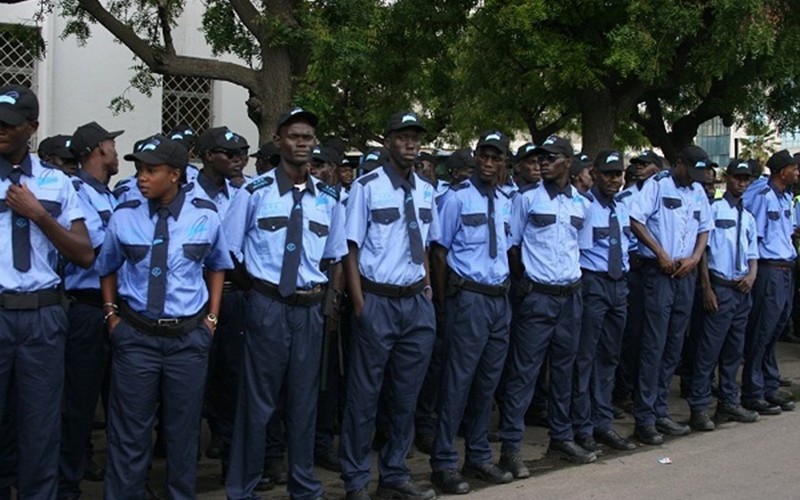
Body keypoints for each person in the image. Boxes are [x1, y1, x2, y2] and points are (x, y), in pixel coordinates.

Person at [97, 134, 231, 499]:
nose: (141, 177)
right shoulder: (125, 216)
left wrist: (212, 320)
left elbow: (218, 265)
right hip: (136, 338)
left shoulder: (204, 214)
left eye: (151, 170)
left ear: (175, 174)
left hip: (188, 340)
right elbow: (107, 266)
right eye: (139, 169)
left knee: (183, 434)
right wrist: (112, 317)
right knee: (129, 435)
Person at [224, 107, 347, 500]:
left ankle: (303, 485)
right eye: (294, 136)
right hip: (267, 306)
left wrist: (327, 303)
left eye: (308, 138)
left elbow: (334, 256)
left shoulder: (328, 199)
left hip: (309, 309)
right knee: (257, 403)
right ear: (279, 141)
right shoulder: (253, 192)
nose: (301, 144)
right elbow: (229, 251)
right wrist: (257, 291)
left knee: (304, 402)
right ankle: (242, 488)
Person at [339, 111, 439, 500]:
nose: (411, 143)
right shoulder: (367, 187)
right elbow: (350, 248)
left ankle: (395, 473)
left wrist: (428, 291)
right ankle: (356, 479)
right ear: (388, 141)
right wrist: (360, 304)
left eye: (416, 137)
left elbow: (425, 245)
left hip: (415, 302)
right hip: (377, 300)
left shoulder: (428, 190)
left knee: (405, 395)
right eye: (403, 137)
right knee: (364, 397)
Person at [0, 83, 94, 499]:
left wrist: (39, 215)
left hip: (42, 316)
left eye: (9, 124)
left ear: (32, 128)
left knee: (41, 423)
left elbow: (84, 254)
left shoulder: (58, 183)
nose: (0, 130)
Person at [498, 135, 593, 475]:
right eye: (540, 158)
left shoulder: (582, 203)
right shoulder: (526, 199)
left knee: (564, 371)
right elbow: (513, 244)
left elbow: (580, 247)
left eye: (551, 157)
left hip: (571, 296)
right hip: (537, 296)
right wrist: (524, 282)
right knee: (524, 373)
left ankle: (562, 437)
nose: (543, 163)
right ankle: (511, 447)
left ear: (568, 161)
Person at [428, 130, 514, 495]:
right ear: (476, 157)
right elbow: (440, 253)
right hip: (469, 299)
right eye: (484, 156)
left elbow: (510, 249)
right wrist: (445, 306)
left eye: (496, 158)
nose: (489, 163)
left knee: (487, 382)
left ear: (504, 162)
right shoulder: (456, 198)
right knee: (457, 382)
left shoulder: (508, 200)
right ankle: (444, 462)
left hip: (499, 298)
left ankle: (478, 456)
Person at [629, 145, 712, 445]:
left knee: (674, 345)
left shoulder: (698, 191)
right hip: (659, 273)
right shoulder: (657, 186)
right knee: (654, 345)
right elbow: (635, 220)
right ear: (678, 164)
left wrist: (694, 257)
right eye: (690, 172)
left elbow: (705, 228)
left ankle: (661, 410)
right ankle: (645, 418)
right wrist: (660, 252)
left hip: (685, 274)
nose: (694, 178)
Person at [59, 120, 123, 499]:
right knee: (80, 402)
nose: (116, 152)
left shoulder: (110, 195)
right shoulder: (77, 191)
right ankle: (67, 484)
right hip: (87, 308)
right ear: (99, 149)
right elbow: (99, 251)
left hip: (118, 308)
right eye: (112, 146)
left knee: (121, 401)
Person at [687, 159, 760, 430]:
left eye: (746, 179)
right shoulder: (714, 209)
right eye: (738, 178)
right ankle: (698, 406)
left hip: (742, 289)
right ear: (727, 178)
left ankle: (728, 402)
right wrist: (706, 287)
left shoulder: (748, 215)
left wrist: (752, 275)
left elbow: (753, 252)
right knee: (708, 351)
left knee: (733, 350)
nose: (742, 183)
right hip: (720, 286)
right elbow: (703, 251)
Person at [571, 150, 636, 452]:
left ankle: (602, 422)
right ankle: (582, 427)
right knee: (585, 357)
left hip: (617, 285)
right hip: (592, 283)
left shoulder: (621, 208)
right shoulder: (583, 207)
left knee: (609, 357)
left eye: (618, 174)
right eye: (608, 173)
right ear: (594, 173)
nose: (614, 179)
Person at [741, 150, 799, 415]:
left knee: (777, 327)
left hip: (786, 267)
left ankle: (769, 384)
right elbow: (753, 234)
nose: (797, 172)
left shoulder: (786, 196)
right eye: (793, 168)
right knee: (762, 329)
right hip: (768, 269)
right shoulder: (762, 195)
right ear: (781, 171)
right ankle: (753, 391)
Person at [613, 150, 663, 411]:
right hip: (632, 267)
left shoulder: (663, 193)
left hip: (654, 269)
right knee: (630, 334)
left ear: (658, 168)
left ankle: (641, 391)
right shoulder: (625, 197)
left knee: (649, 334)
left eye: (645, 164)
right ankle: (624, 390)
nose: (640, 168)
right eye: (637, 164)